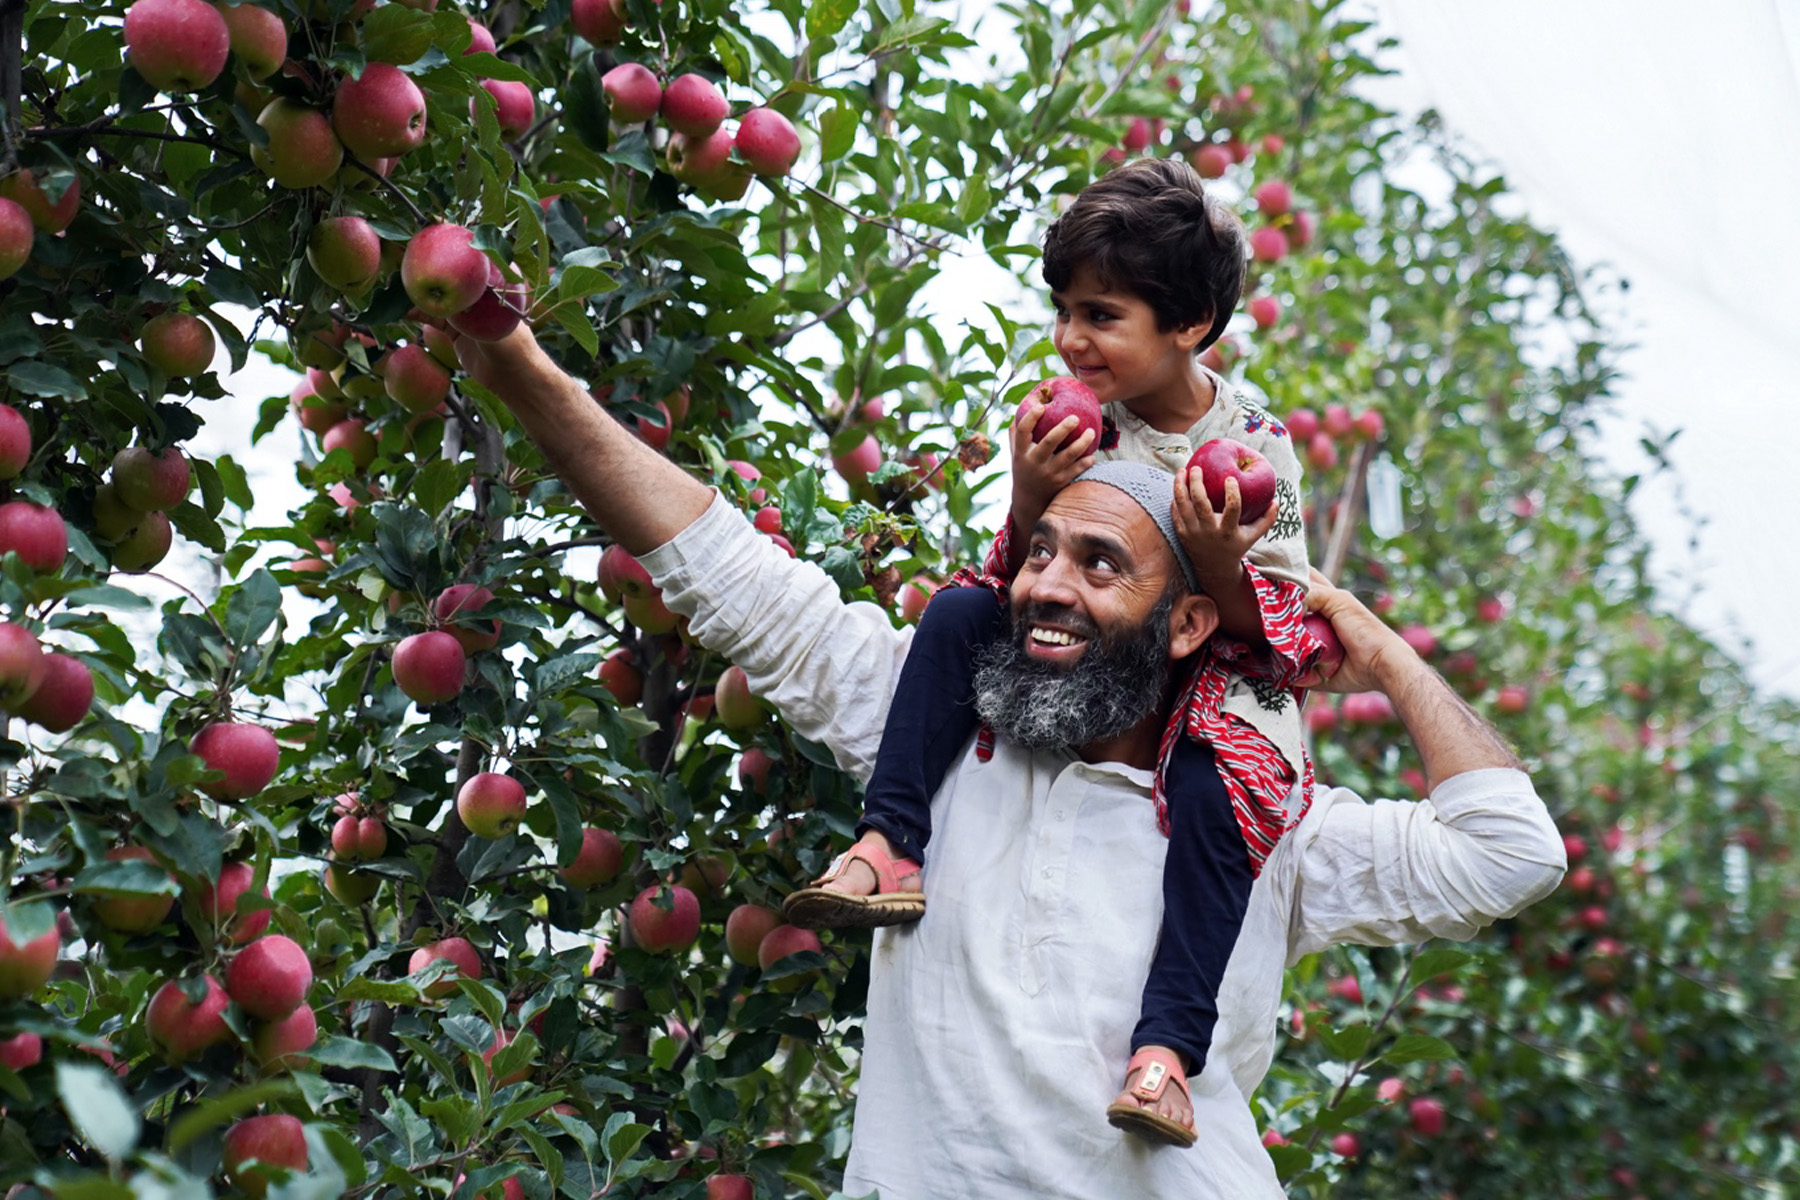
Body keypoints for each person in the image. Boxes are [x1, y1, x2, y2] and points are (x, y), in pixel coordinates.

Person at [456, 321, 1567, 1200]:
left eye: (1098, 564)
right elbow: (723, 569)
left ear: (1186, 626)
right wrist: (517, 363)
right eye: (1039, 553)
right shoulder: (937, 734)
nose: (1044, 585)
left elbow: (1511, 854)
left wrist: (1375, 646)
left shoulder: (1264, 815)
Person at [782, 156, 1316, 1147]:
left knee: (1215, 804)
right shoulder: (1076, 417)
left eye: (1102, 315)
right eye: (1064, 308)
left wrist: (1214, 562)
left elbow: (1276, 631)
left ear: (1190, 324)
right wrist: (1029, 488)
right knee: (949, 620)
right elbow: (1029, 571)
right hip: (1081, 659)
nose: (1072, 339)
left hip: (1207, 679)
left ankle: (1165, 1054)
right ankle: (890, 843)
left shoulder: (1256, 448)